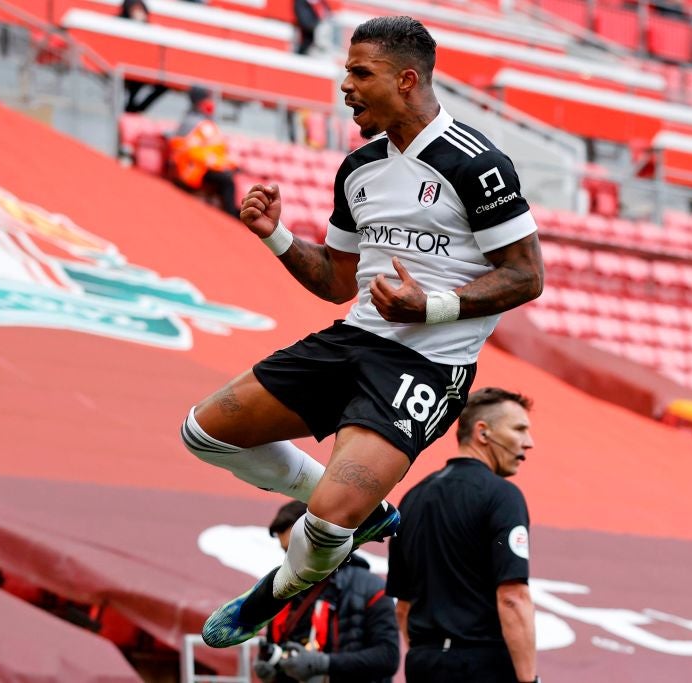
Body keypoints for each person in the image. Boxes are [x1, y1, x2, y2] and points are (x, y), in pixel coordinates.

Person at [179, 15, 544, 650]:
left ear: (407, 80)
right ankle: (363, 511)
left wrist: (427, 307)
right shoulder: (360, 168)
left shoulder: (477, 163)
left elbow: (526, 276)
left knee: (323, 527)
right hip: (355, 340)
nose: (345, 86)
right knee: (204, 433)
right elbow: (337, 281)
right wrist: (277, 237)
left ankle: (277, 591)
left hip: (427, 365)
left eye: (359, 73)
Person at [387, 387, 539, 683]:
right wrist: (528, 680)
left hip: (423, 663)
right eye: (519, 429)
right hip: (481, 665)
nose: (528, 443)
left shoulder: (413, 498)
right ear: (483, 433)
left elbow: (403, 607)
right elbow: (513, 597)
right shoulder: (502, 496)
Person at [252, 501, 399, 683]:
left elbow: (388, 657)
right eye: (287, 551)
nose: (292, 558)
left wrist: (324, 664)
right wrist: (269, 665)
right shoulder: (283, 589)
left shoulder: (372, 587)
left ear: (322, 537)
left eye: (297, 548)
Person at [168, 86, 240, 217]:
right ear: (200, 101)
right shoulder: (192, 122)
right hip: (193, 170)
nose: (211, 103)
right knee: (227, 181)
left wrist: (227, 163)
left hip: (205, 166)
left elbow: (217, 149)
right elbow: (190, 151)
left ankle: (233, 212)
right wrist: (220, 164)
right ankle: (231, 215)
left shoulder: (205, 121)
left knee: (230, 175)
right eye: (208, 99)